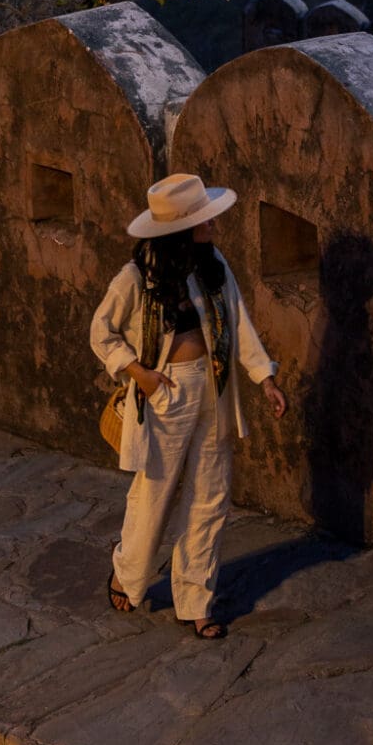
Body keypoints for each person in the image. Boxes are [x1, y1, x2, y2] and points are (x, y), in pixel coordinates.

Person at [90, 172, 286, 639]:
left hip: (213, 388)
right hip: (166, 394)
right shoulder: (136, 279)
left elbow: (238, 321)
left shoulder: (213, 266)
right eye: (204, 219)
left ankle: (195, 599)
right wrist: (139, 373)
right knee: (154, 496)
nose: (213, 224)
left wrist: (265, 378)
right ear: (181, 229)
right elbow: (101, 333)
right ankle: (128, 574)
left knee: (210, 495)